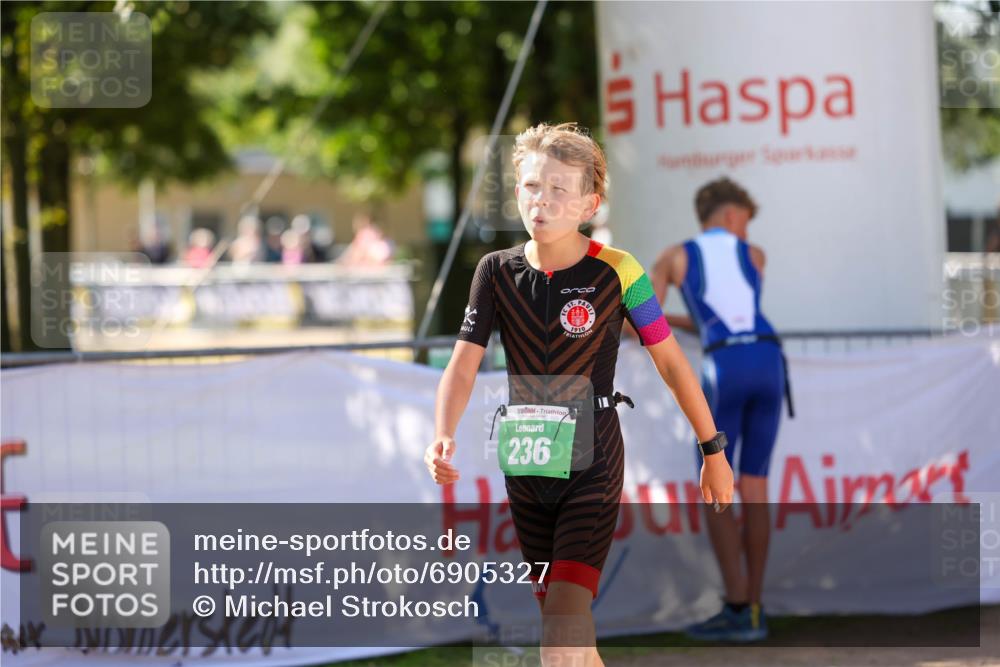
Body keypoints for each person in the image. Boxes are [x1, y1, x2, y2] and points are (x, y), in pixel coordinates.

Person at [423, 123, 734, 667]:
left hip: (594, 461)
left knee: (561, 630)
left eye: (558, 189)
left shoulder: (620, 270)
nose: (541, 200)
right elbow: (463, 364)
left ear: (589, 204)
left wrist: (713, 450)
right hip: (525, 461)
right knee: (566, 630)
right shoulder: (494, 271)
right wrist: (442, 433)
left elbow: (671, 361)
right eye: (531, 186)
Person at [649, 177, 789, 642]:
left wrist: (672, 321)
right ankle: (755, 609)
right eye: (745, 223)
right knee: (756, 485)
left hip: (726, 366)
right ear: (730, 215)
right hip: (769, 359)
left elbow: (641, 321)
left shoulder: (674, 257)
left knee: (716, 483)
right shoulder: (756, 256)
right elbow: (736, 313)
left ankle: (736, 606)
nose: (746, 233)